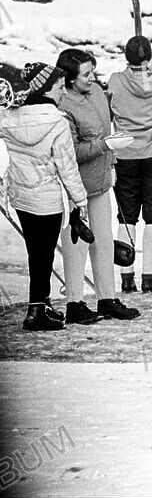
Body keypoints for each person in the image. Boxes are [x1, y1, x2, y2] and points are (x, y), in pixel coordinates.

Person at [0, 63, 91, 331]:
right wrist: (80, 200)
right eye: (60, 86)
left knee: (34, 253)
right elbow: (67, 166)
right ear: (46, 89)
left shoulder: (9, 117)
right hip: (48, 199)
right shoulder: (57, 122)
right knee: (45, 254)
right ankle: (36, 310)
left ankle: (40, 305)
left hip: (21, 195)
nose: (63, 91)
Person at [56, 49, 140, 321]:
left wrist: (111, 157)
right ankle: (74, 302)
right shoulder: (63, 105)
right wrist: (104, 145)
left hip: (101, 179)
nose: (92, 78)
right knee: (76, 244)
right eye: (85, 74)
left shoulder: (97, 95)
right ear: (69, 79)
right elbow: (72, 152)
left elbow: (104, 130)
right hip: (75, 186)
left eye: (93, 72)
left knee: (103, 241)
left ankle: (107, 298)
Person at [108, 34, 152, 293]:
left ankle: (126, 277)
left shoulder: (116, 80)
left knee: (126, 215)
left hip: (125, 153)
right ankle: (149, 275)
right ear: (148, 57)